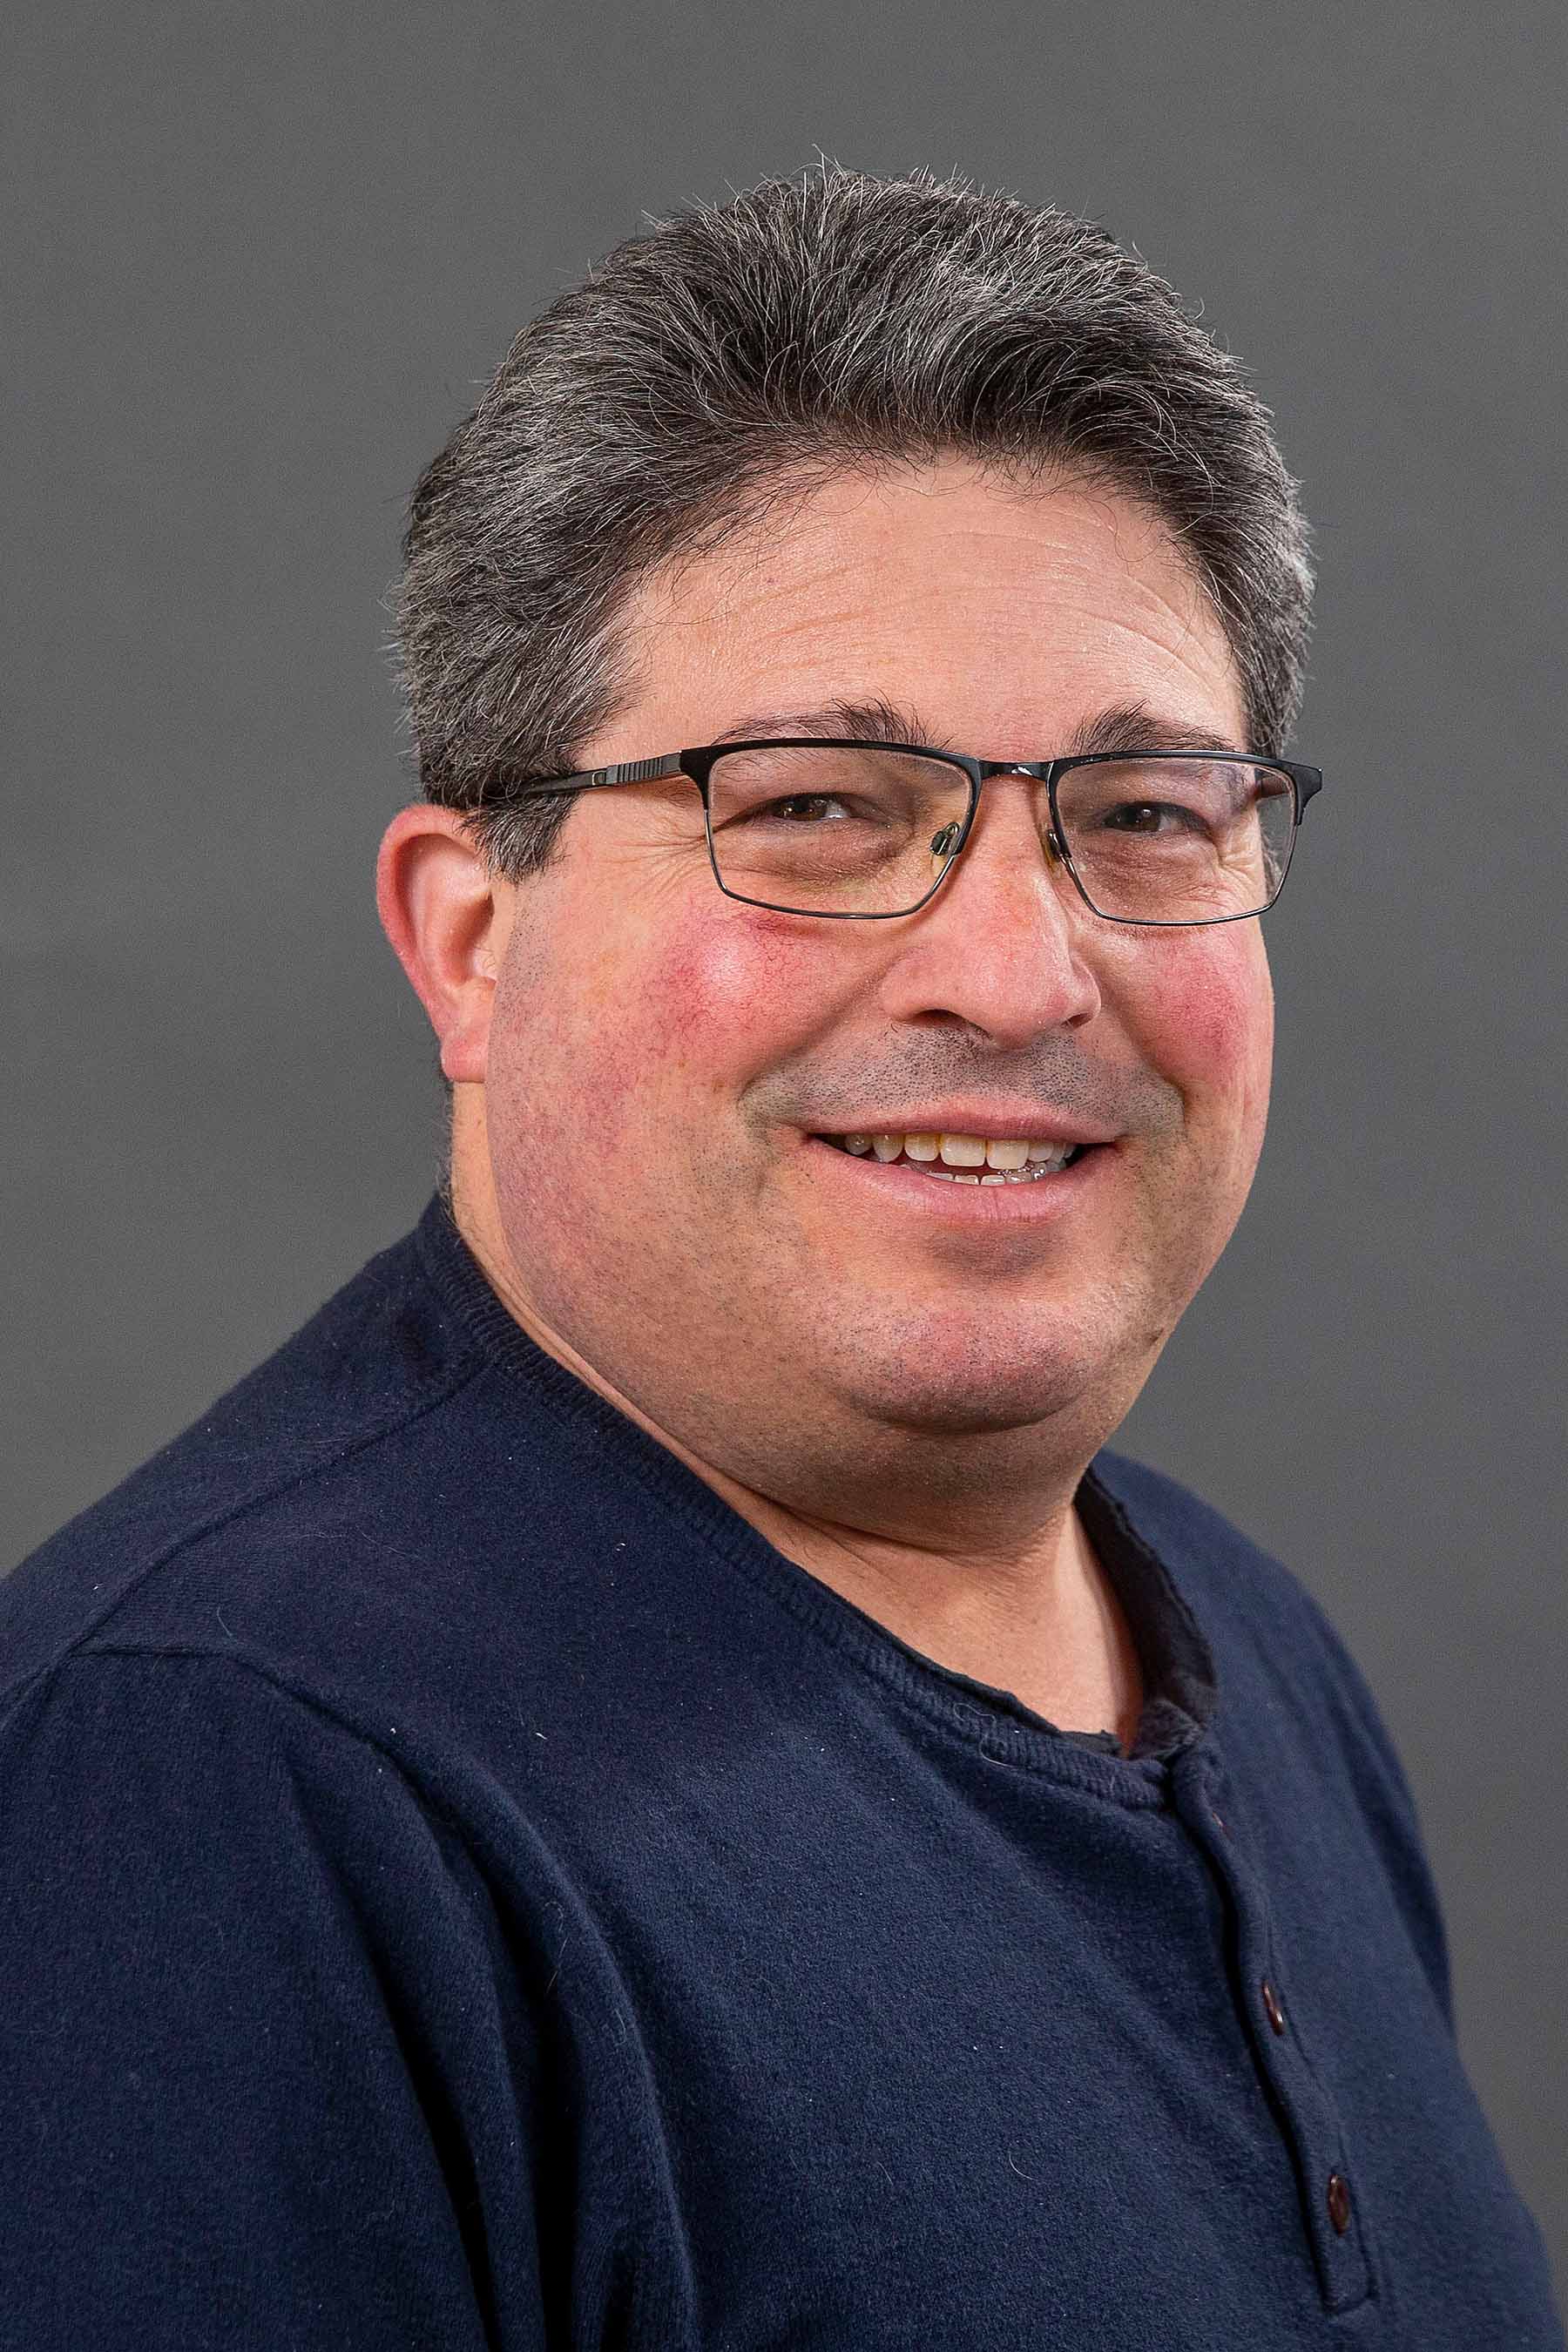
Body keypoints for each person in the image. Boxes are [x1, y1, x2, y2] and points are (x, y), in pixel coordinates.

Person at [1, 166, 1559, 2351]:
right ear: (470, 940)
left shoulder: (1263, 1666)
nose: (1022, 967)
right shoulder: (213, 1801)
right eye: (818, 802)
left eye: (1143, 816)